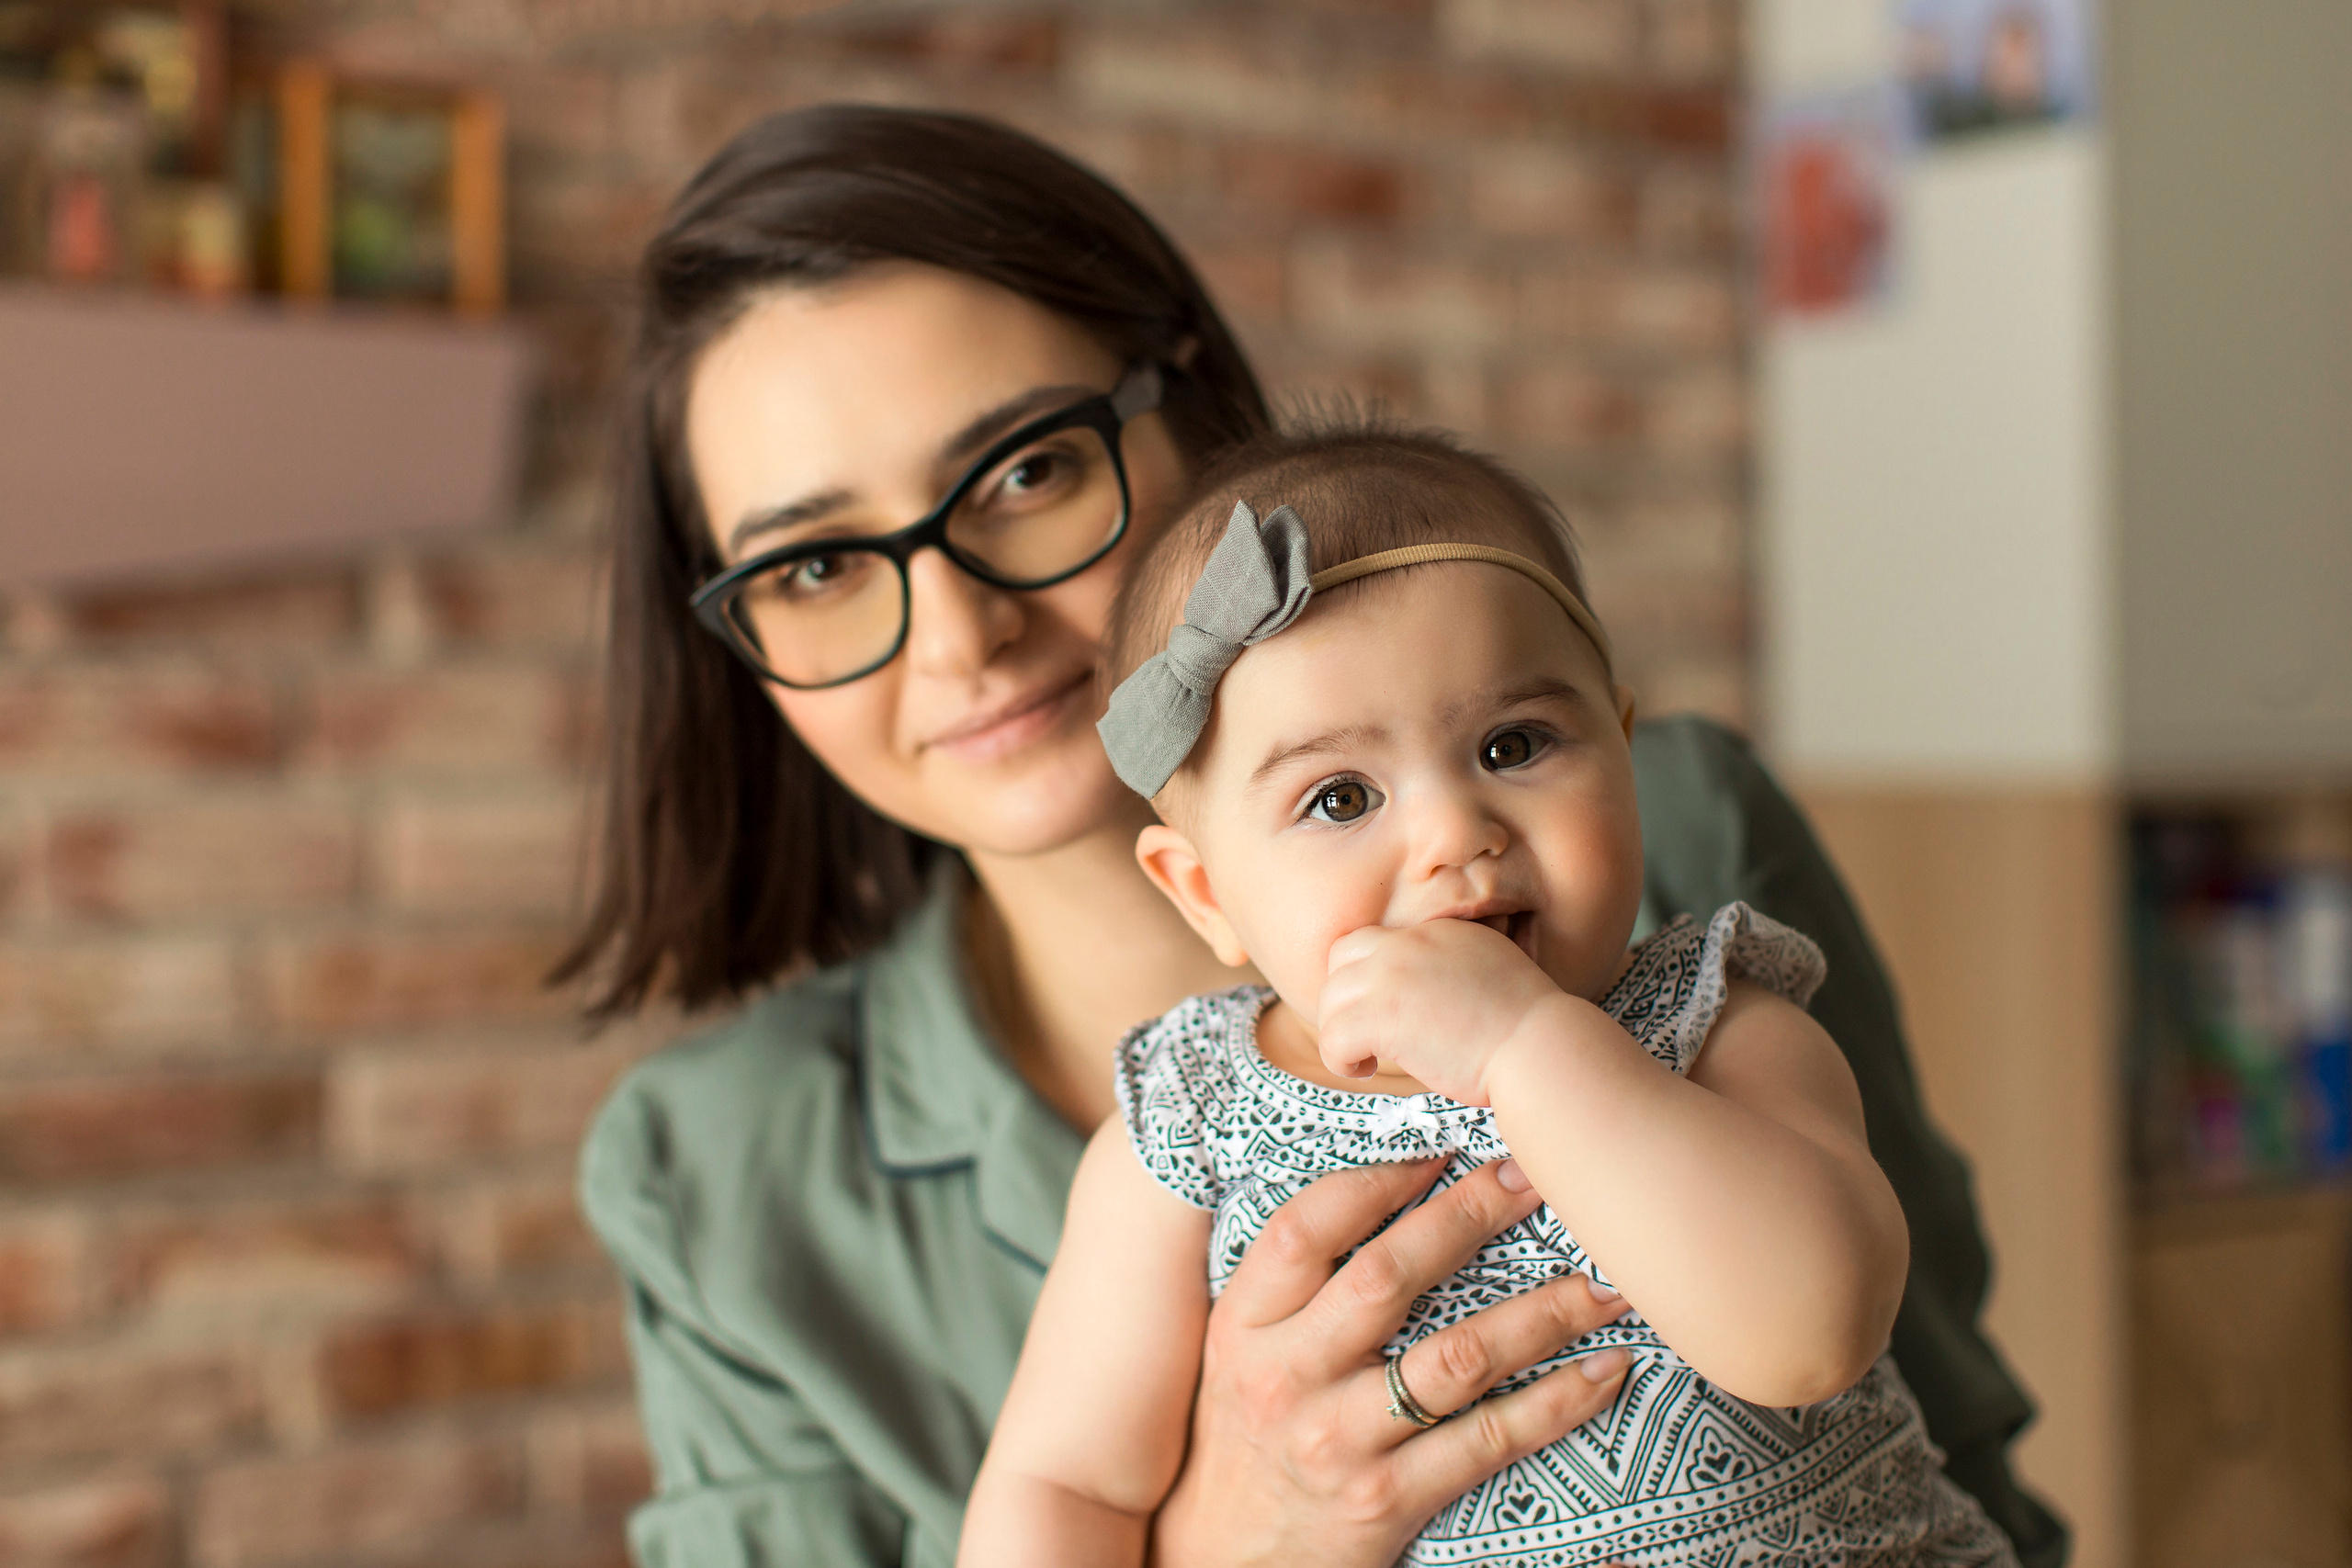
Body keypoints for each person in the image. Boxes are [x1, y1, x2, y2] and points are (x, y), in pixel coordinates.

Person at [568, 103, 2064, 1568]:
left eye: (1029, 472)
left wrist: (1535, 1054)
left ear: (1200, 419)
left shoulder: (1690, 901)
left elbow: (1913, 1414)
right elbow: (1058, 1491)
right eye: (817, 562)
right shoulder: (745, 1177)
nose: (960, 632)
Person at [961, 429, 2018, 1567]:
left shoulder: (1720, 1022)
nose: (1456, 834)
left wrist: (1526, 1045)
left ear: (1619, 750)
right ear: (1205, 893)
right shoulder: (1183, 1125)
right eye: (1340, 797)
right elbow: (1064, 1484)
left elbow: (1810, 1332)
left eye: (1514, 744)